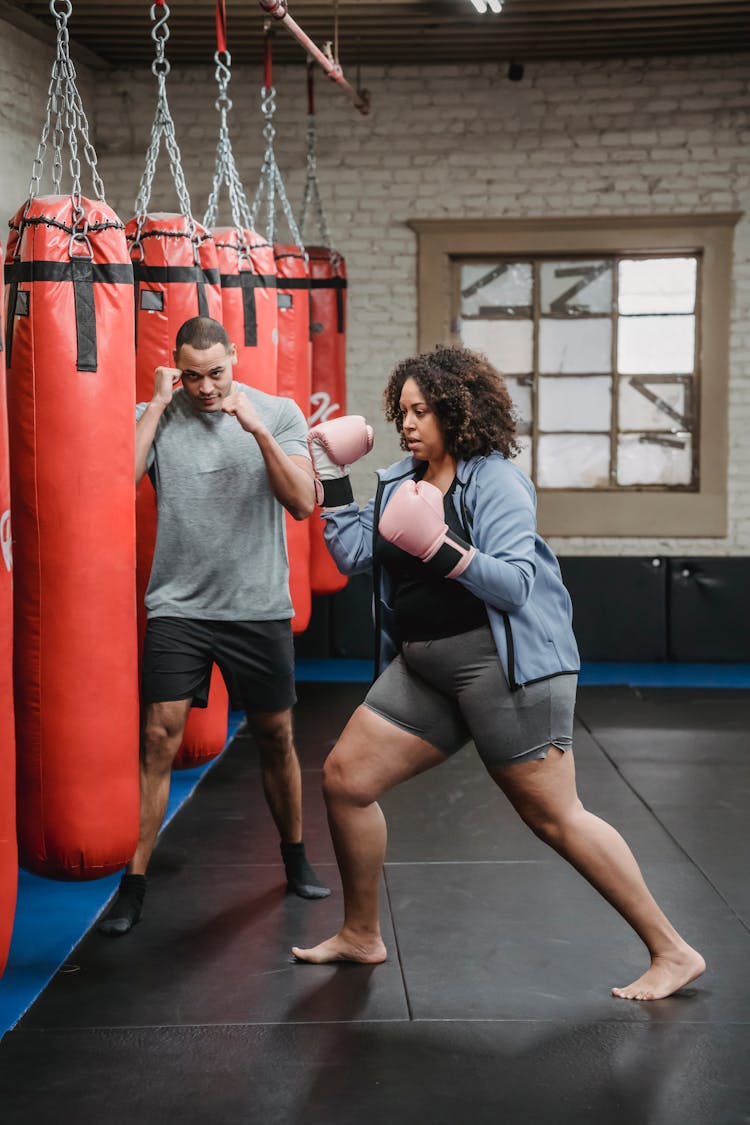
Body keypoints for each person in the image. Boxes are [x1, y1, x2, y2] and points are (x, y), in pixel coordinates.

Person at [293, 343, 705, 1001]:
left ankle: (673, 948)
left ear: (457, 413)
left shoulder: (496, 480)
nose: (407, 423)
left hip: (503, 666)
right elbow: (347, 555)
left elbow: (514, 584)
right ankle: (361, 933)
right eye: (401, 410)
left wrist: (440, 546)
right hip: (424, 666)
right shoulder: (399, 479)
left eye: (422, 410)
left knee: (555, 817)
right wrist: (331, 476)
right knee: (345, 779)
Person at [98, 316, 330, 936]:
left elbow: (304, 503)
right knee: (157, 736)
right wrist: (153, 401)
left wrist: (256, 430)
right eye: (192, 375)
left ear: (234, 358)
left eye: (216, 373)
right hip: (178, 605)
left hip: (257, 605)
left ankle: (296, 858)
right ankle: (135, 880)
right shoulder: (164, 411)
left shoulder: (278, 413)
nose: (204, 387)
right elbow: (118, 478)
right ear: (178, 367)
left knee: (275, 735)